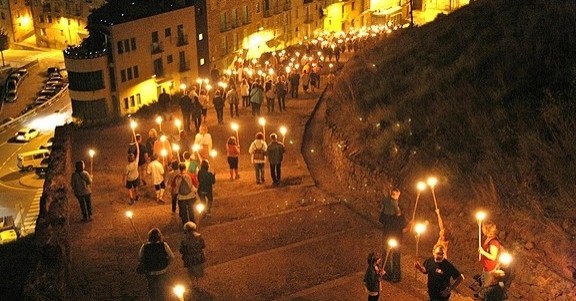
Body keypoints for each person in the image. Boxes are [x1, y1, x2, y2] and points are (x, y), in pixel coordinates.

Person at [138, 228, 174, 301]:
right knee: (162, 286)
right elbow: (171, 256)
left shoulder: (144, 246)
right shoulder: (164, 245)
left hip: (149, 271)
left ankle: (153, 298)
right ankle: (162, 298)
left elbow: (139, 257)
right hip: (162, 270)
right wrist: (168, 263)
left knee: (152, 286)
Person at [379, 187, 405, 282]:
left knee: (390, 254)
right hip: (393, 236)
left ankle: (390, 274)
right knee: (393, 255)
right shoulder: (396, 210)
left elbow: (381, 219)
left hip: (390, 236)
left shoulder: (389, 209)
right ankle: (392, 274)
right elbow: (403, 225)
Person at [180, 222, 206, 289]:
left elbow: (181, 250)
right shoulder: (199, 237)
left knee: (191, 271)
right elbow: (203, 246)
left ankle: (193, 284)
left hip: (189, 258)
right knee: (199, 271)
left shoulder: (184, 240)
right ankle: (199, 285)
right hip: (198, 257)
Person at [479, 220, 502, 289]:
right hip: (487, 267)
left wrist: (483, 252)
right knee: (484, 283)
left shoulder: (493, 242)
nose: (481, 228)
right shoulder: (488, 238)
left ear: (487, 229)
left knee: (487, 286)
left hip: (491, 269)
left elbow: (493, 257)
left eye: (483, 227)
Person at [123, 132, 140, 205]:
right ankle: (137, 196)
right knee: (136, 187)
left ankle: (131, 199)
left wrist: (123, 180)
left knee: (129, 189)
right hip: (135, 177)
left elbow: (125, 174)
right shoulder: (136, 162)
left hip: (130, 179)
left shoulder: (128, 166)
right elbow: (138, 152)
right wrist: (137, 144)